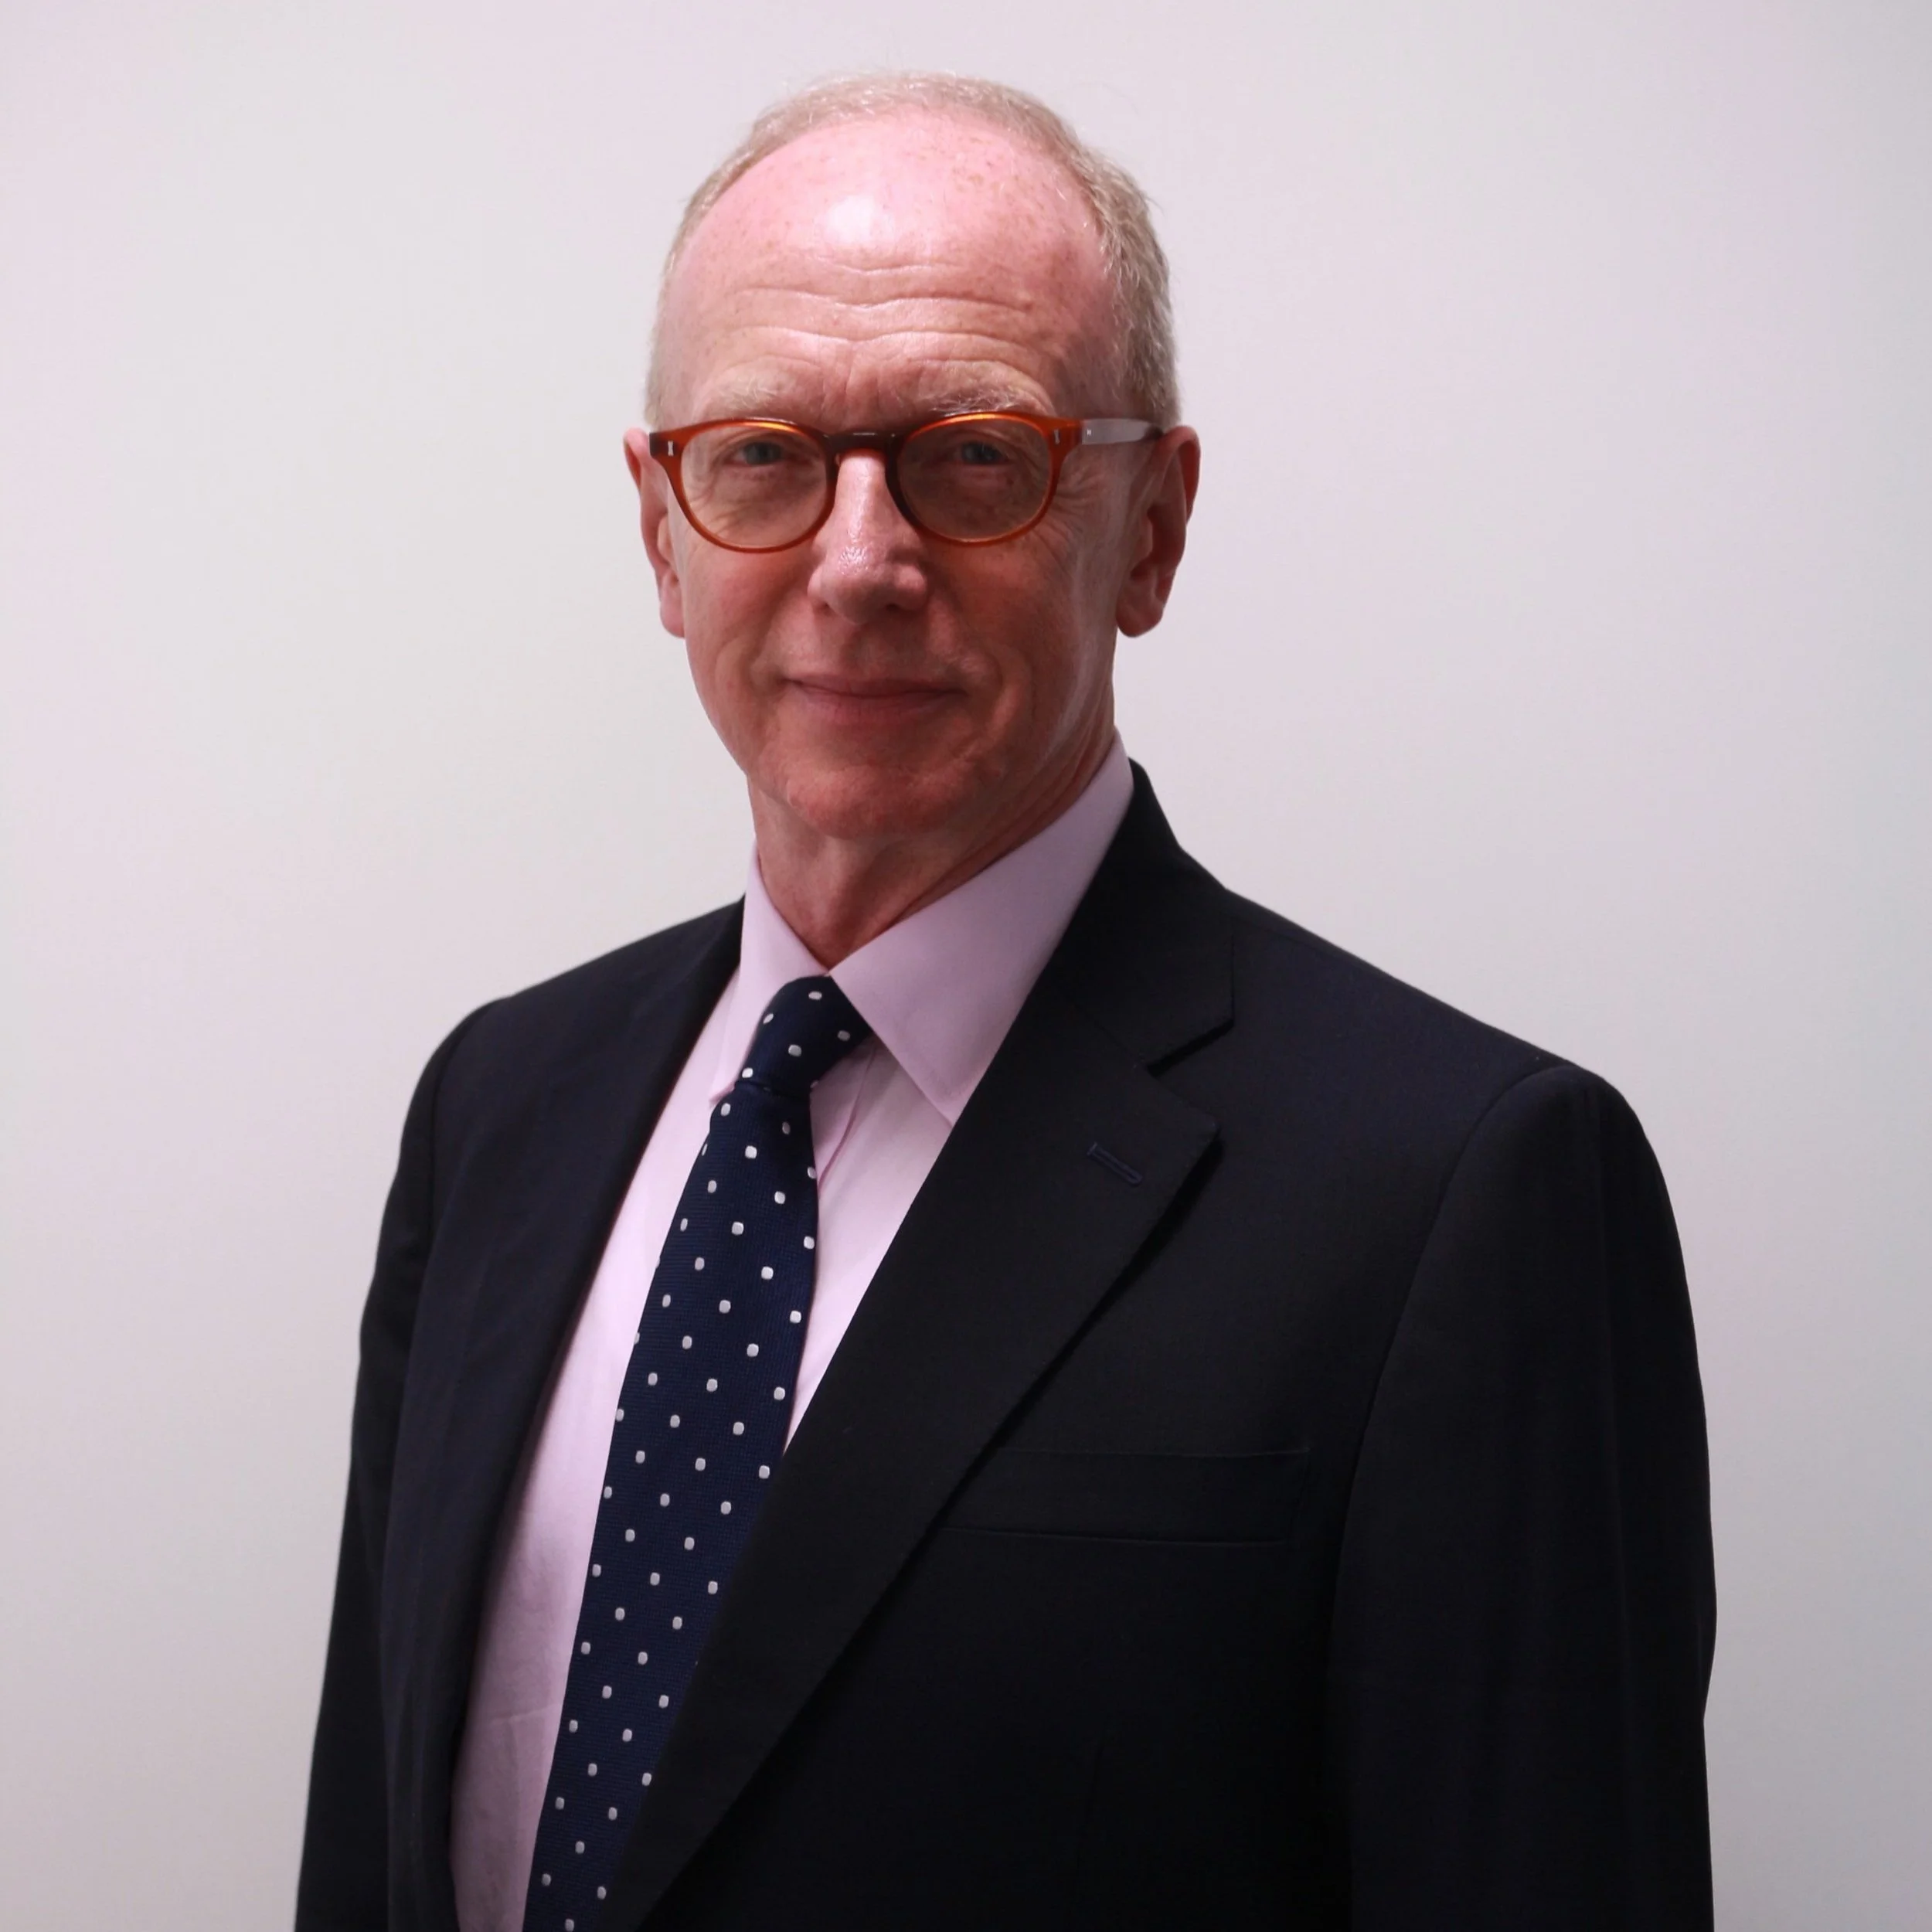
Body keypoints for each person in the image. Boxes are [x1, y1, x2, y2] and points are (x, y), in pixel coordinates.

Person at [296, 73, 1715, 1932]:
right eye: (764, 455)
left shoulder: (1462, 1193)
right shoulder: (499, 1105)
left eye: (973, 454)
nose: (859, 560)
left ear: (1148, 523)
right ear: (662, 527)